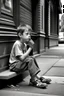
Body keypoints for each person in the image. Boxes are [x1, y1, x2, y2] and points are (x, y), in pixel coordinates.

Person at [9, 24, 51, 89]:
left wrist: (29, 46)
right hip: (14, 66)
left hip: (20, 64)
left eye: (30, 34)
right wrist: (30, 47)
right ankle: (34, 81)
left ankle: (38, 77)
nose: (29, 36)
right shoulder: (17, 44)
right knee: (30, 59)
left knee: (32, 58)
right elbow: (22, 58)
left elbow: (27, 57)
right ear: (20, 35)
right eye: (27, 34)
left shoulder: (24, 44)